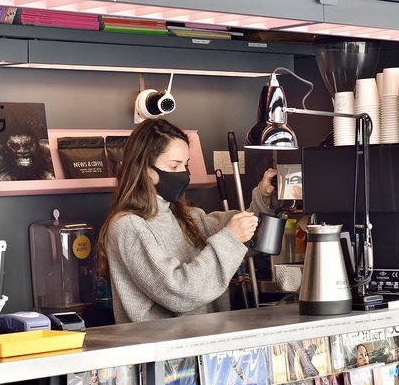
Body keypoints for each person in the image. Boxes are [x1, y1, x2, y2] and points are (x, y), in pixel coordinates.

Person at [96, 119, 276, 323]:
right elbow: (179, 292)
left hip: (204, 345)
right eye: (174, 166)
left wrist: (263, 198)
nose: (183, 173)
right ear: (143, 168)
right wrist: (230, 239)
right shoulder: (128, 226)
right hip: (163, 352)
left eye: (186, 165)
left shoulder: (189, 217)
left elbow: (246, 231)